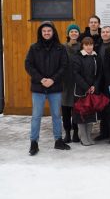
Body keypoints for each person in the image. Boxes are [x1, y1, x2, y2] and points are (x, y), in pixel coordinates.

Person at [25, 21, 70, 155]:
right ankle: (34, 143)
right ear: (41, 32)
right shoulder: (34, 48)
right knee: (36, 116)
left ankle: (58, 140)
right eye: (44, 31)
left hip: (55, 87)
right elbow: (28, 65)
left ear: (53, 32)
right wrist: (41, 79)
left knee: (56, 115)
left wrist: (53, 79)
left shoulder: (60, 48)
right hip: (38, 87)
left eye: (49, 31)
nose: (46, 33)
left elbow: (64, 65)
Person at [72, 37, 103, 146]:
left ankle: (89, 136)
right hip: (81, 91)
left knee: (91, 115)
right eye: (86, 44)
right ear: (82, 46)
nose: (89, 46)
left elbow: (99, 73)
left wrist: (95, 85)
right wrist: (86, 87)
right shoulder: (77, 57)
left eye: (90, 44)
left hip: (93, 91)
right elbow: (75, 74)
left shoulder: (96, 57)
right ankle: (83, 137)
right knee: (81, 115)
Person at [61, 24, 81, 143]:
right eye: (72, 31)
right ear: (68, 33)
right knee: (66, 110)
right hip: (65, 83)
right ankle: (67, 133)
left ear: (78, 34)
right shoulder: (62, 47)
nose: (74, 33)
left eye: (76, 31)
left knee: (77, 110)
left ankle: (76, 133)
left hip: (77, 83)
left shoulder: (82, 46)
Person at [94, 25, 110, 141]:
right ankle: (103, 132)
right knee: (102, 107)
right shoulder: (98, 46)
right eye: (103, 32)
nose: (105, 34)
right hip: (100, 80)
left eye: (107, 32)